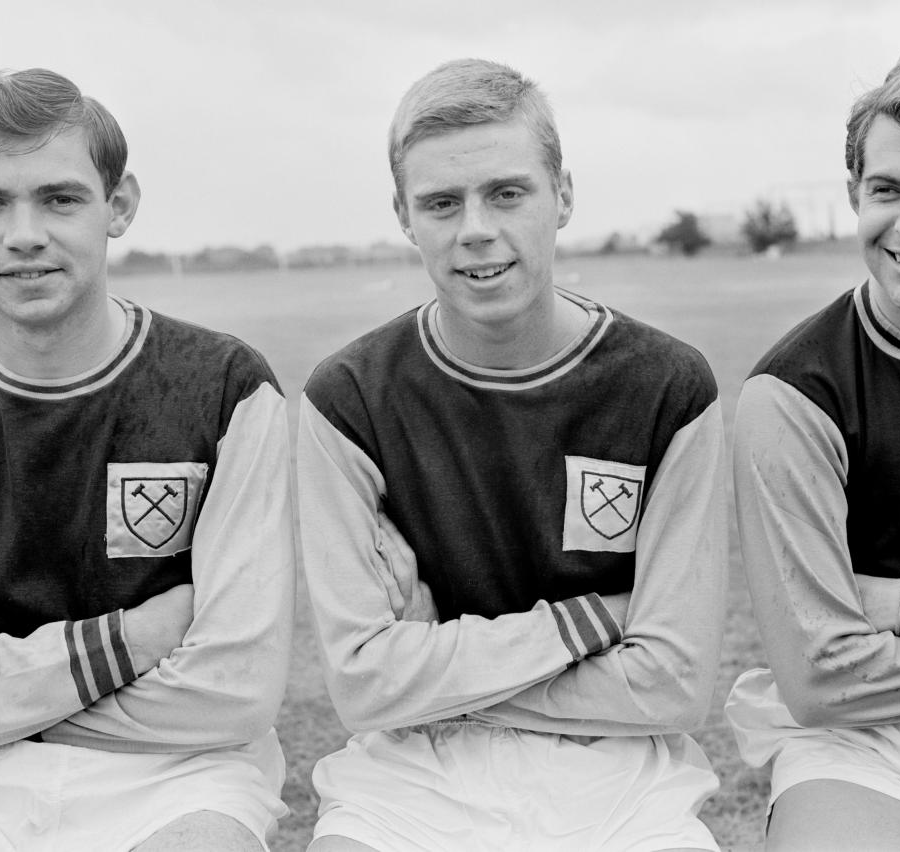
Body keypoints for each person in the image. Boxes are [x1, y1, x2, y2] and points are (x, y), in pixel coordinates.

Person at [297, 58, 729, 851]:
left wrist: (429, 671)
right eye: (441, 202)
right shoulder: (346, 398)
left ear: (562, 194)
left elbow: (671, 686)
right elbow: (363, 688)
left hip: (621, 772)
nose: (475, 229)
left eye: (506, 192)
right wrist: (593, 623)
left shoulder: (668, 385)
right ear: (404, 215)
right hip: (408, 772)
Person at [0, 68, 295, 851]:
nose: (23, 232)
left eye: (59, 199)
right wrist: (136, 638)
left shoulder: (227, 385)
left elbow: (236, 693)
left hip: (180, 772)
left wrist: (23, 698)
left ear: (117, 206)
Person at [726, 49, 900, 851]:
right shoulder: (791, 395)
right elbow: (822, 679)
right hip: (865, 746)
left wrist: (895, 603)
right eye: (887, 189)